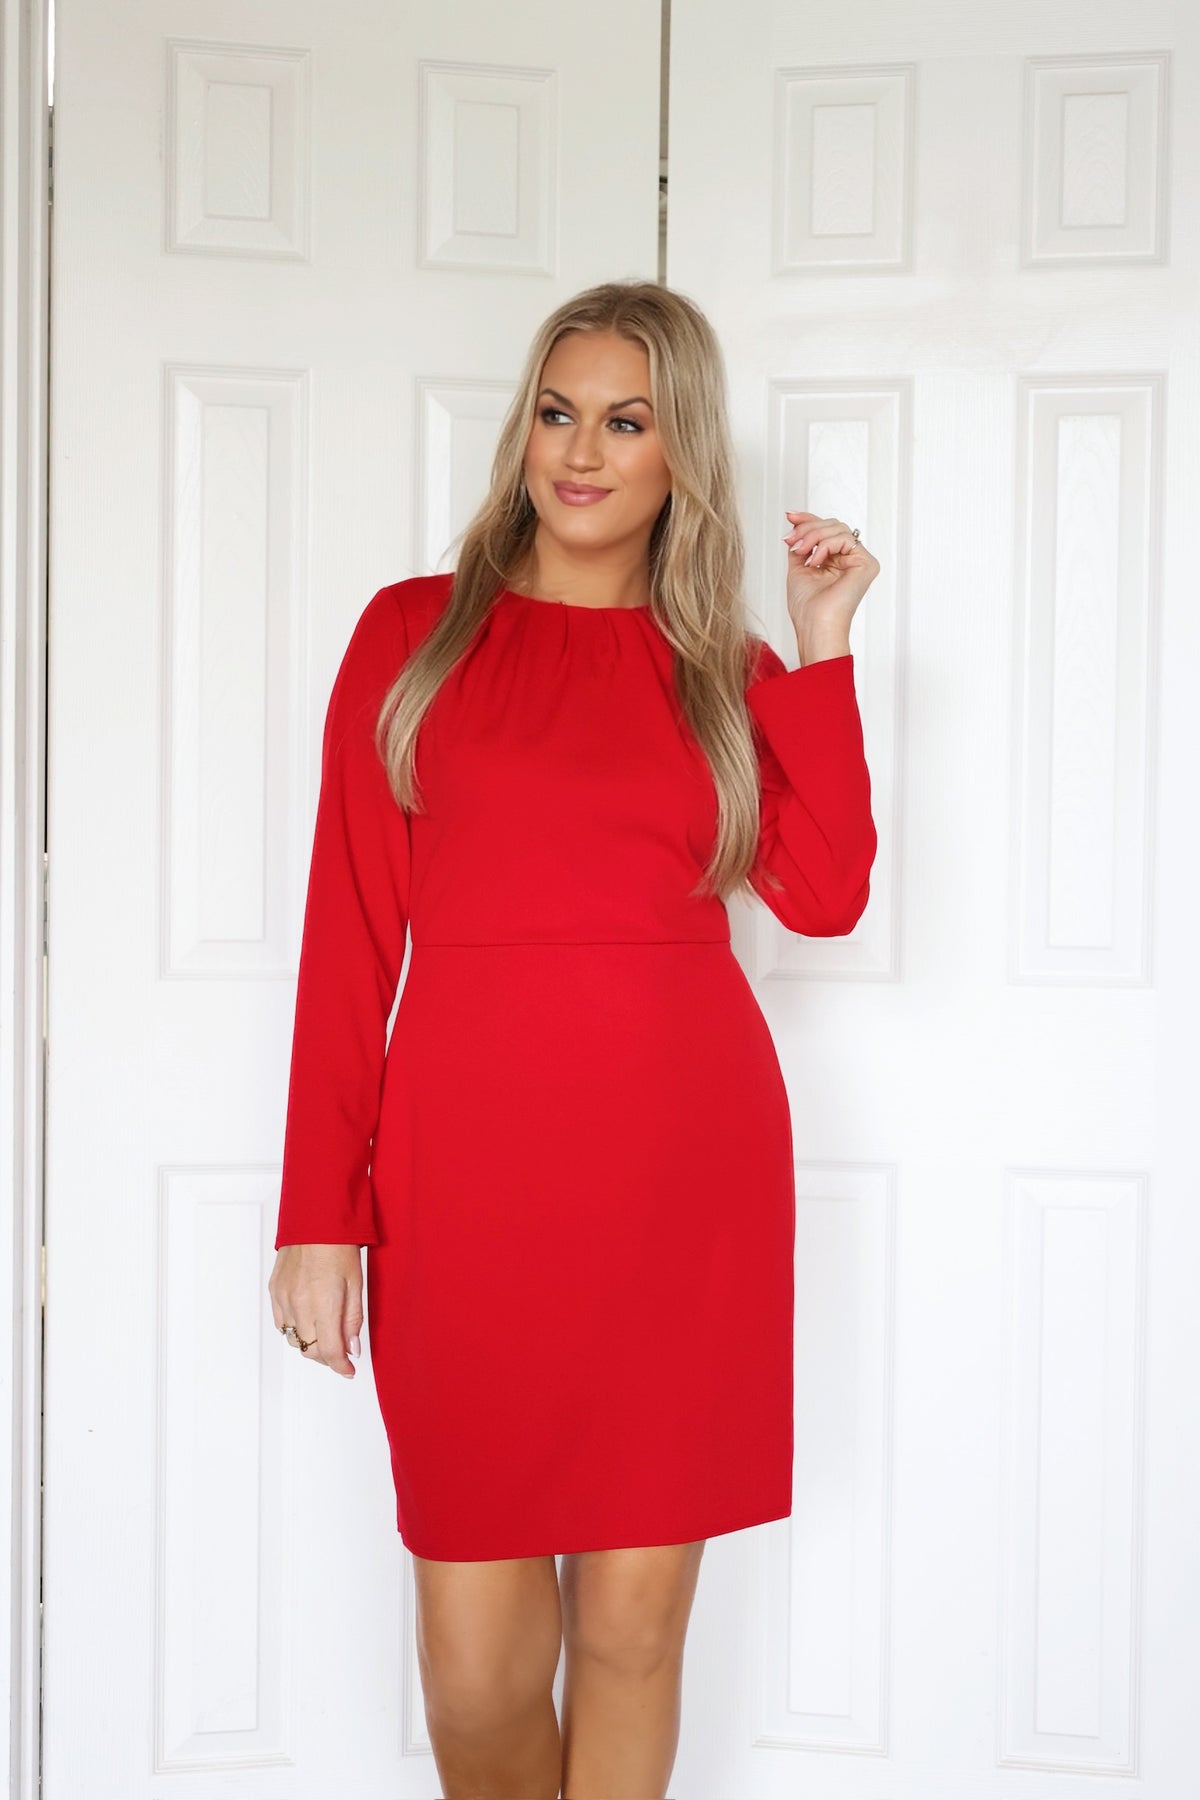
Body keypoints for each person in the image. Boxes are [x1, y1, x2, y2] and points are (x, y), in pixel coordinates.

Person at [267, 278, 879, 1800]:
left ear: (683, 456)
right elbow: (348, 942)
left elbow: (825, 896)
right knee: (477, 1672)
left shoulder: (724, 672)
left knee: (630, 1638)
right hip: (466, 1190)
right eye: (557, 413)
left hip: (680, 1187)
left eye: (626, 421)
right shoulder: (414, 637)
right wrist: (318, 1216)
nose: (582, 452)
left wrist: (820, 645)